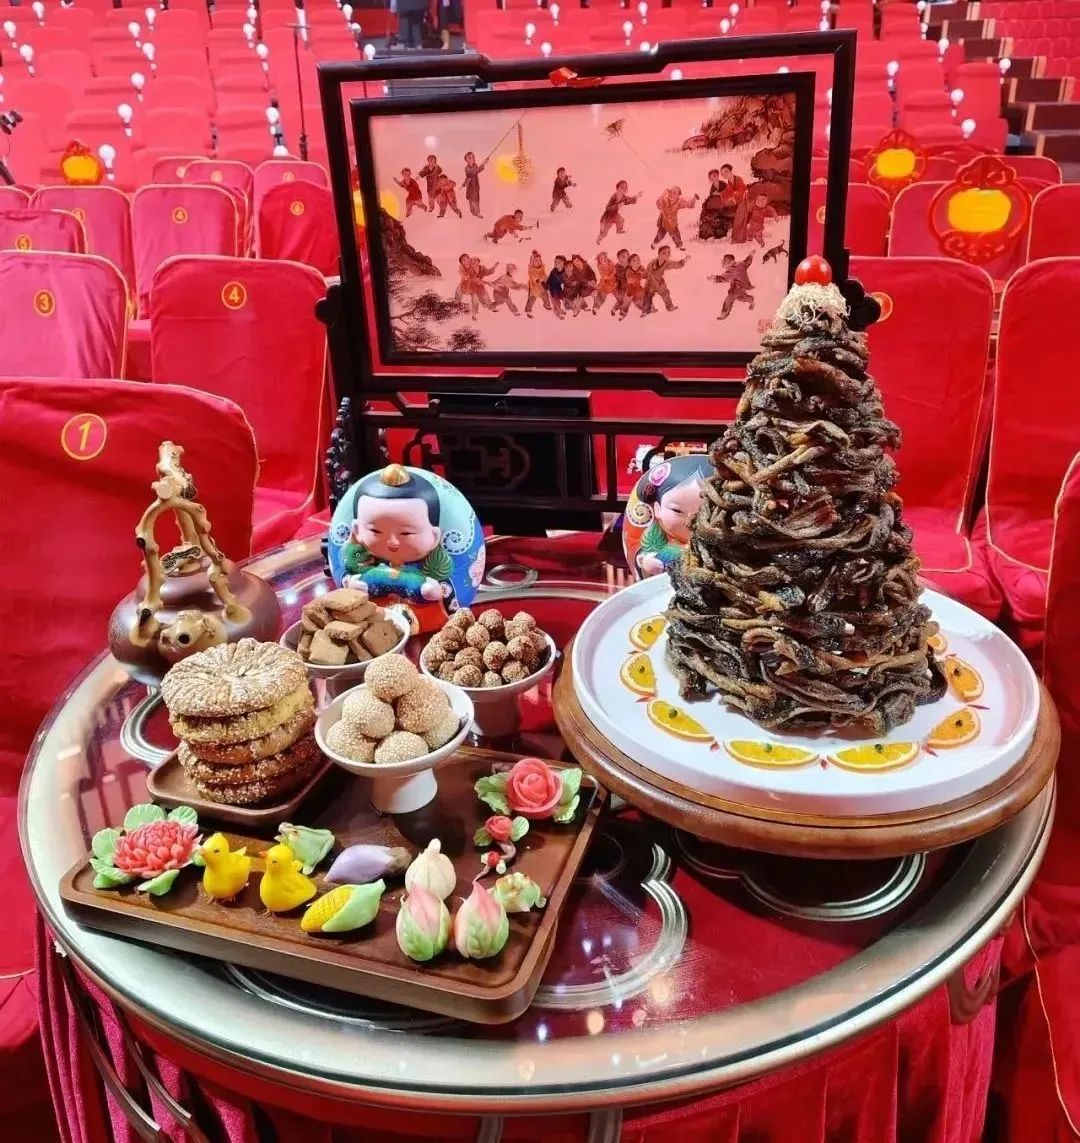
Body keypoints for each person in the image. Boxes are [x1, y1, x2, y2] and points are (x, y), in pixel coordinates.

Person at [340, 463, 453, 630]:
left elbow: (448, 591)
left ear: (434, 536)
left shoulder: (431, 567)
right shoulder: (368, 563)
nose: (392, 542)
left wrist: (439, 590)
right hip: (374, 623)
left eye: (406, 533)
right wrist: (352, 583)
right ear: (357, 530)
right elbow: (348, 576)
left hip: (426, 622)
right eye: (376, 531)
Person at [642, 244, 689, 315]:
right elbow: (646, 272)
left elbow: (675, 264)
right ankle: (646, 310)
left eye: (668, 253)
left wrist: (684, 260)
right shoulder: (652, 262)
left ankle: (670, 306)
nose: (667, 255)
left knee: (665, 293)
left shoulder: (667, 263)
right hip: (650, 282)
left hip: (659, 282)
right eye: (664, 253)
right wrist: (643, 276)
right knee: (648, 295)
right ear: (659, 254)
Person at [652, 186, 699, 251]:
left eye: (674, 193)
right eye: (671, 191)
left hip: (672, 222)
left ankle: (680, 246)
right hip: (663, 221)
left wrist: (694, 199)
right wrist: (663, 195)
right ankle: (654, 243)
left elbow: (690, 205)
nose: (672, 194)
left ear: (678, 195)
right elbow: (658, 204)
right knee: (660, 235)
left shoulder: (679, 201)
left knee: (675, 234)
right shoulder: (664, 198)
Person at [713, 252, 755, 320]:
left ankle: (724, 314)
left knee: (728, 300)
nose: (722, 262)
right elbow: (747, 262)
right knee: (740, 297)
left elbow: (724, 278)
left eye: (724, 260)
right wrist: (751, 255)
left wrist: (714, 278)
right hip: (742, 287)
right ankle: (750, 299)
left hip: (736, 289)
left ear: (729, 261)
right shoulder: (740, 264)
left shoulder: (732, 269)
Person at [524, 250, 551, 317]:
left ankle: (547, 305)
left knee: (545, 296)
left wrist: (546, 278)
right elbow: (533, 277)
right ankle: (528, 310)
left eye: (540, 260)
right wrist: (538, 280)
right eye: (536, 261)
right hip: (534, 288)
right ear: (532, 262)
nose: (538, 262)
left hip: (542, 287)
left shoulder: (542, 267)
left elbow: (544, 274)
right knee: (531, 299)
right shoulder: (531, 270)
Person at [463, 150, 486, 218]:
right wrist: (483, 165)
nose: (472, 158)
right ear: (466, 160)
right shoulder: (467, 168)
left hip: (476, 186)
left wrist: (483, 164)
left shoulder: (475, 165)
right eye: (470, 158)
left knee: (476, 199)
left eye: (473, 157)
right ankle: (473, 212)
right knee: (472, 200)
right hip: (470, 187)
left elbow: (477, 170)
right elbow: (473, 172)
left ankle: (477, 212)